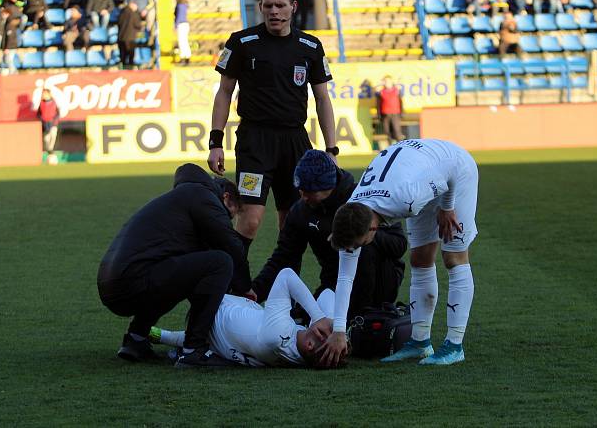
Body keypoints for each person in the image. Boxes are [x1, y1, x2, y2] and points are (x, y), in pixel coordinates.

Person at [208, 0, 337, 292]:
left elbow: (322, 98)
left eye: (281, 5)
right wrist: (215, 141)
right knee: (250, 219)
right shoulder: (241, 43)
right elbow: (224, 92)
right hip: (255, 142)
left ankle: (284, 296)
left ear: (293, 6)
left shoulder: (310, 46)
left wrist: (331, 150)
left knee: (289, 226)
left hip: (295, 143)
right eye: (268, 6)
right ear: (260, 7)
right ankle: (235, 288)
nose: (274, 12)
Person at [321, 139, 479, 368]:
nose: (354, 250)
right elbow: (345, 276)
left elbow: (450, 172)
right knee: (420, 258)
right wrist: (338, 330)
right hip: (417, 175)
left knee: (453, 257)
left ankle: (454, 346)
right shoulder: (351, 212)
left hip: (455, 168)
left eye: (358, 245)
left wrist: (446, 207)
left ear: (373, 230)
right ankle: (419, 341)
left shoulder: (407, 200)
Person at [97, 163, 252, 367]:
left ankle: (136, 339)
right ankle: (193, 349)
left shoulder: (184, 198)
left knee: (180, 274)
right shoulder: (203, 198)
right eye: (231, 214)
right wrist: (246, 288)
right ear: (226, 198)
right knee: (221, 262)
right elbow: (231, 245)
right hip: (133, 280)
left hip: (114, 284)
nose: (229, 221)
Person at [251, 150, 407, 317]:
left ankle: (362, 316)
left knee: (362, 246)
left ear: (327, 185)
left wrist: (364, 233)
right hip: (334, 283)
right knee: (306, 320)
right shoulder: (301, 211)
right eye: (301, 190)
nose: (303, 196)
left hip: (379, 281)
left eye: (308, 190)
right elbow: (284, 256)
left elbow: (399, 244)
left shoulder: (364, 198)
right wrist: (255, 291)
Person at [152, 268, 333, 368]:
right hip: (219, 341)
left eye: (330, 335)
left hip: (215, 306)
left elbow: (286, 275)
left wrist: (318, 317)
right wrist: (339, 329)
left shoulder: (278, 335)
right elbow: (327, 294)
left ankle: (147, 332)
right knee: (187, 338)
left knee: (219, 262)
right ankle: (158, 335)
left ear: (310, 345)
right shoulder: (298, 352)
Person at [375, 76, 404, 144]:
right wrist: (379, 115)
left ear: (391, 82)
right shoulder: (381, 92)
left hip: (395, 114)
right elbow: (378, 104)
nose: (387, 83)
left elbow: (401, 102)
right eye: (385, 81)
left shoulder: (396, 91)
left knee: (397, 131)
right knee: (387, 132)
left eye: (388, 81)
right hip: (385, 115)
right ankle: (391, 148)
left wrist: (402, 113)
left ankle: (400, 147)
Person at [117, 1, 143, 69]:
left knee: (123, 57)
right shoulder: (134, 14)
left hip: (121, 38)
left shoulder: (122, 13)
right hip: (130, 38)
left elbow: (119, 23)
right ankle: (130, 73)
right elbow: (138, 25)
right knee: (131, 57)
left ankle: (122, 71)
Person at [37, 88, 60, 156]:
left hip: (53, 123)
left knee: (53, 135)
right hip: (45, 123)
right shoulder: (42, 103)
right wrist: (42, 119)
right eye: (43, 93)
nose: (44, 95)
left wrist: (54, 120)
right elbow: (38, 114)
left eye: (45, 93)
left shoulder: (53, 102)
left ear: (49, 94)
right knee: (46, 138)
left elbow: (58, 113)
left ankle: (50, 150)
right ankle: (48, 150)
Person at [174, 0, 191, 65]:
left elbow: (179, 17)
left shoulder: (179, 5)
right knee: (185, 41)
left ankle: (183, 58)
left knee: (181, 41)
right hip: (185, 24)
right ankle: (187, 57)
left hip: (181, 24)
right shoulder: (184, 5)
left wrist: (175, 26)